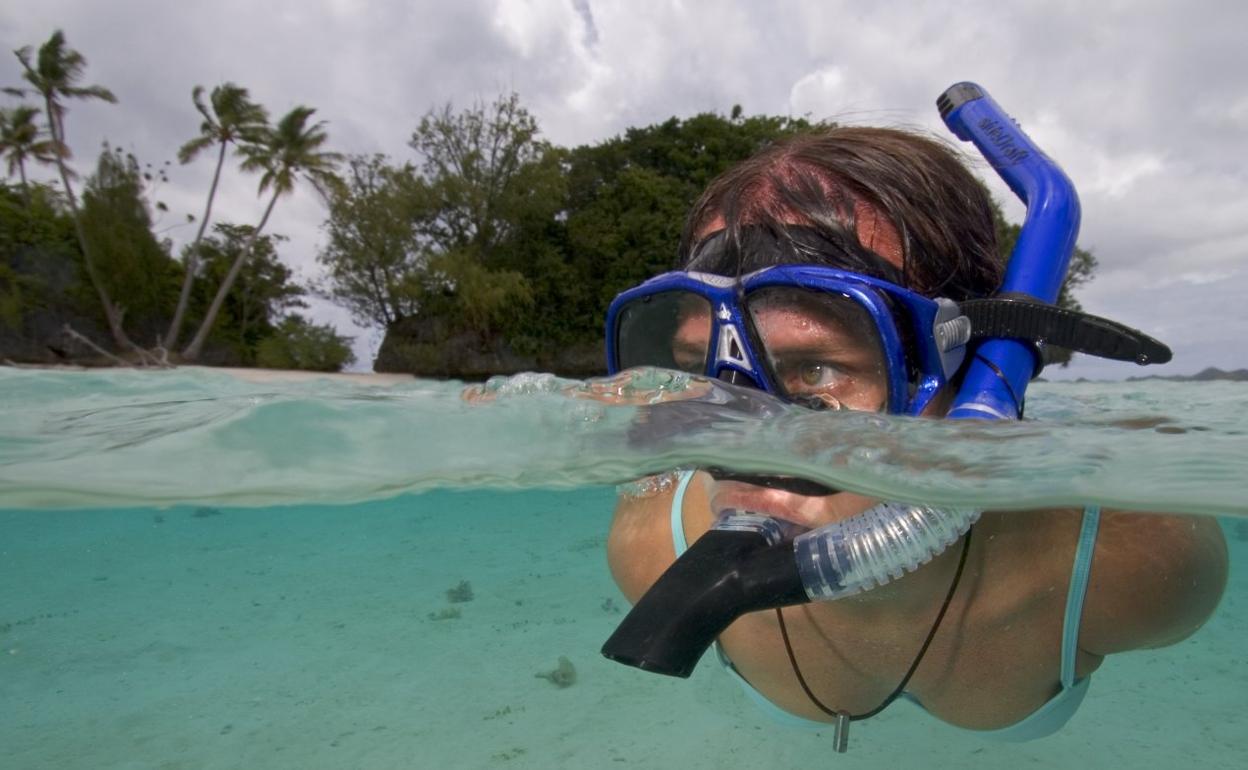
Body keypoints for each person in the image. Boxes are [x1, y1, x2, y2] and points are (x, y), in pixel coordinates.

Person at [603, 126, 1228, 739]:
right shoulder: (652, 547)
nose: (732, 440)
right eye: (698, 368)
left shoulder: (1131, 565)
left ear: (975, 373)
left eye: (815, 370)